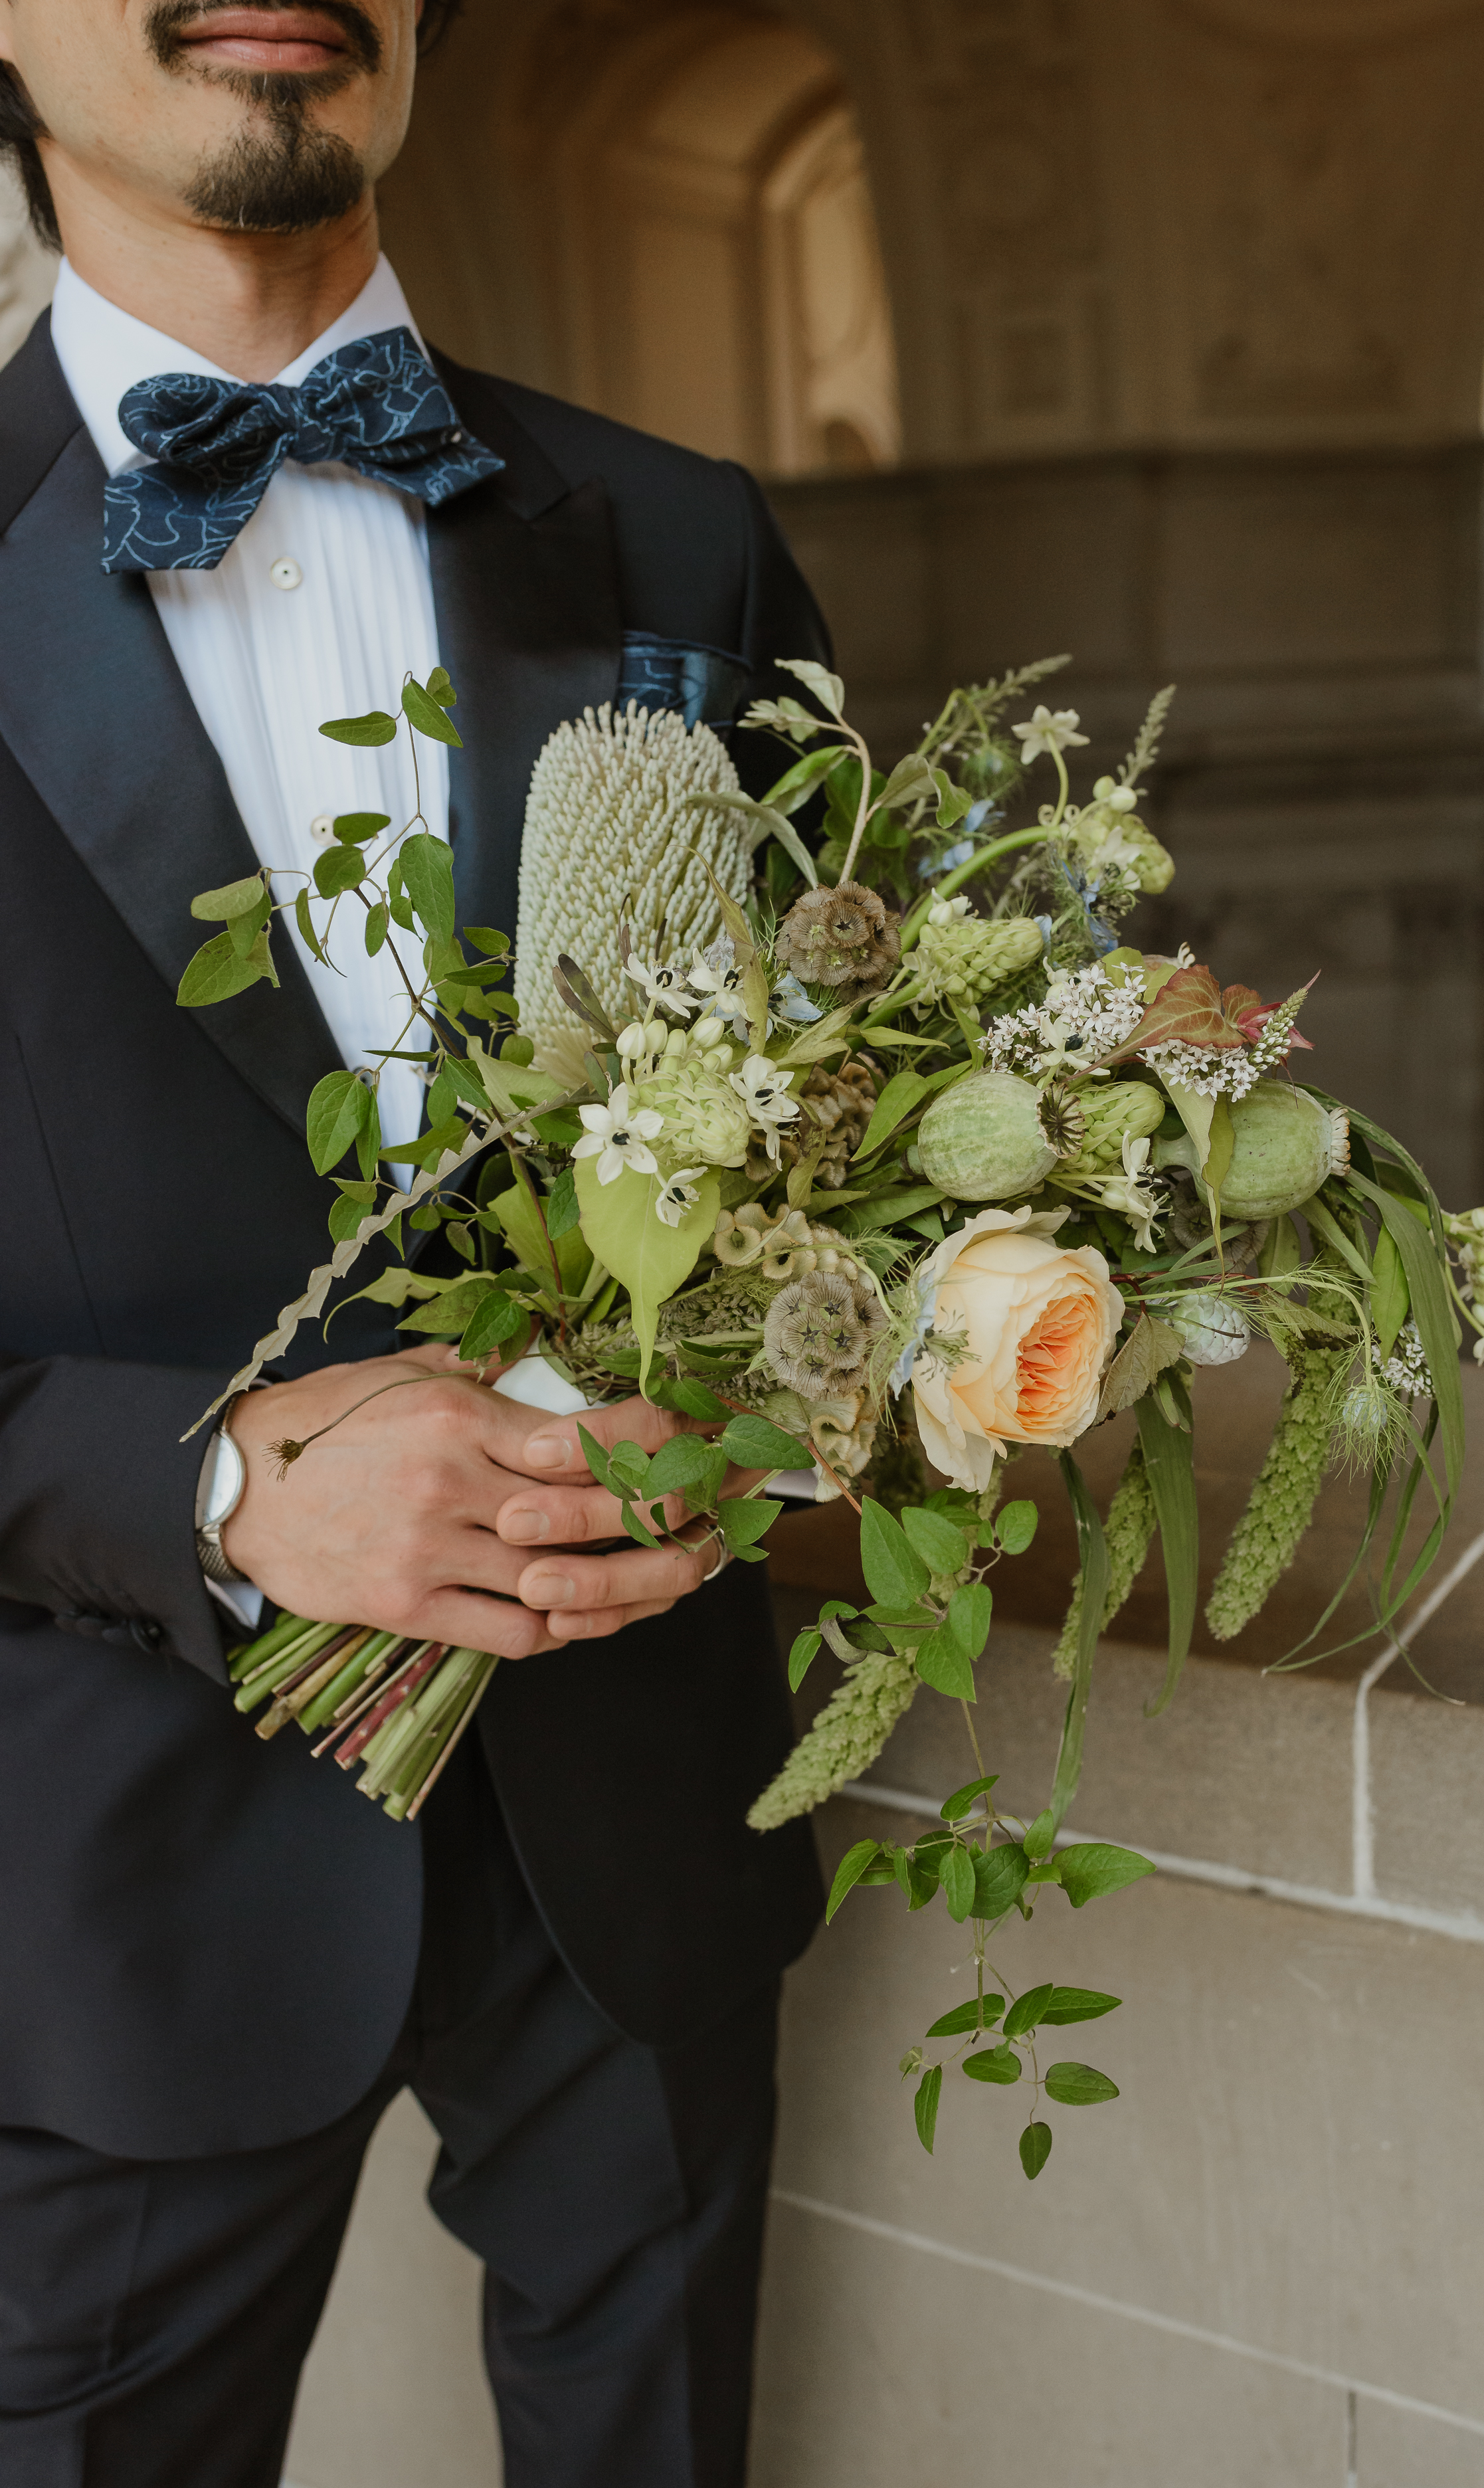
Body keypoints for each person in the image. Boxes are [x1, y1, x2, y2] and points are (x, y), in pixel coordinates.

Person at [0, 4, 826, 2481]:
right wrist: (222, 1489)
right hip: (98, 1883)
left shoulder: (681, 530)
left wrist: (792, 1377)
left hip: (637, 1831)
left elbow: (839, 1120)